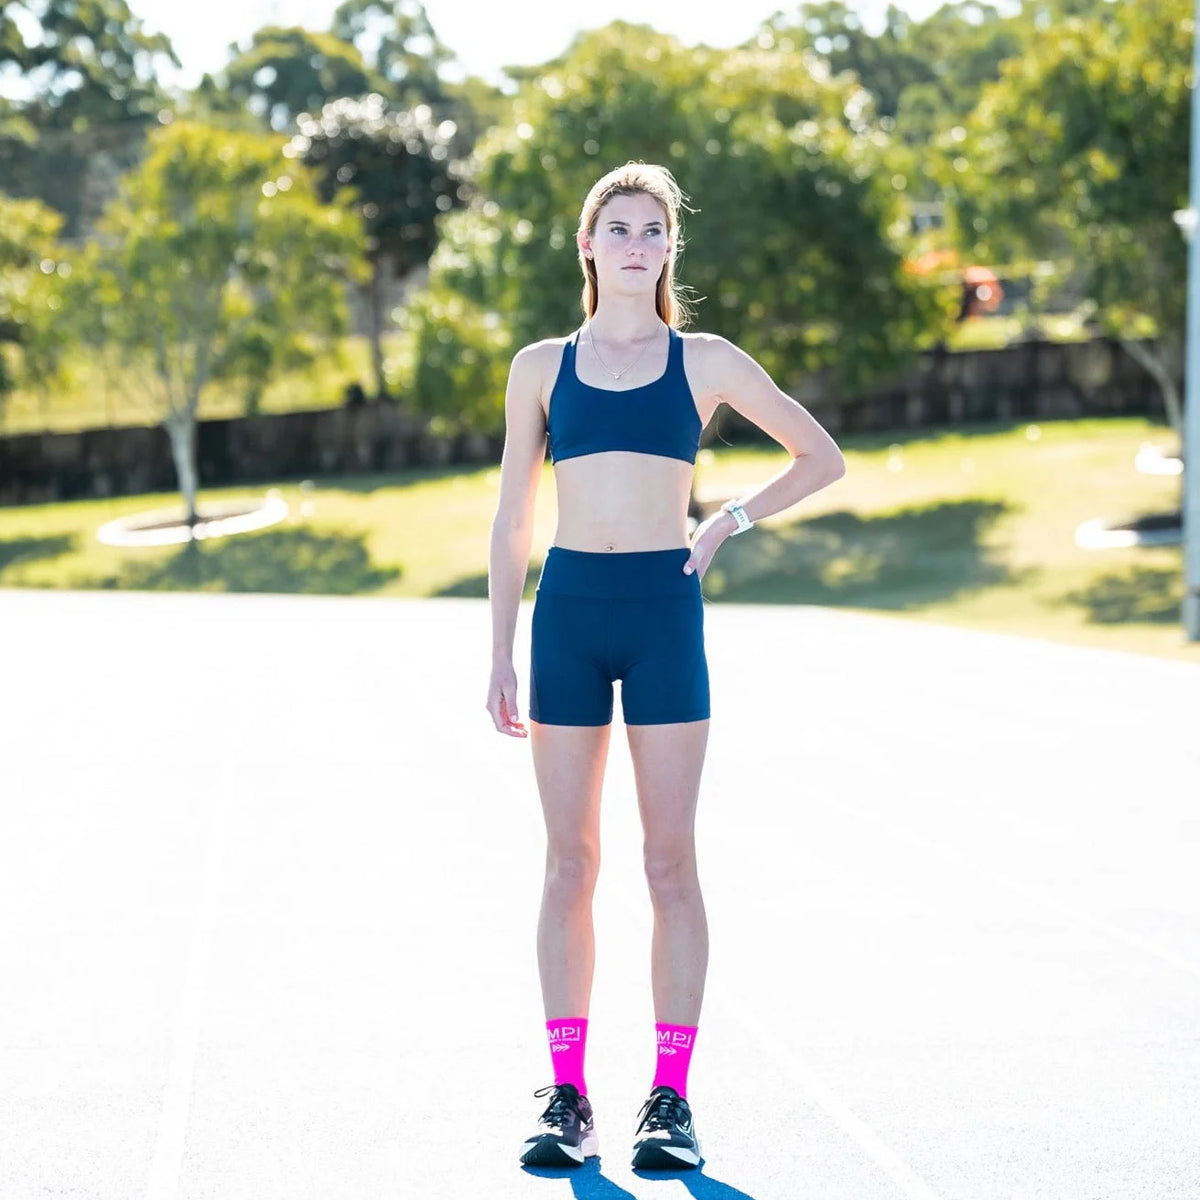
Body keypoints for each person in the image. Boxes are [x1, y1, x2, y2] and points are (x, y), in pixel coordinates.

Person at [485, 161, 845, 1171]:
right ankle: (566, 1095)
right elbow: (514, 516)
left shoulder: (709, 361)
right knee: (569, 861)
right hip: (565, 617)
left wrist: (728, 519)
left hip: (662, 613)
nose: (637, 243)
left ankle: (670, 1101)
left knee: (667, 862)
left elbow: (821, 457)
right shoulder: (539, 367)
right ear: (588, 246)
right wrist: (500, 650)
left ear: (667, 249)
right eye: (619, 227)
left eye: (654, 229)